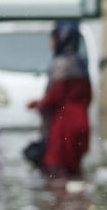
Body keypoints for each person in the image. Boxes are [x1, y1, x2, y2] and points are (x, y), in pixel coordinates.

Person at [28, 21, 93, 177]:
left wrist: (37, 104)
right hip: (82, 122)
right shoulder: (81, 65)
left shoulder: (60, 65)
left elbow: (54, 98)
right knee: (74, 172)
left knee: (56, 173)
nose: (51, 43)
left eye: (53, 38)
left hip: (64, 125)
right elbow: (89, 96)